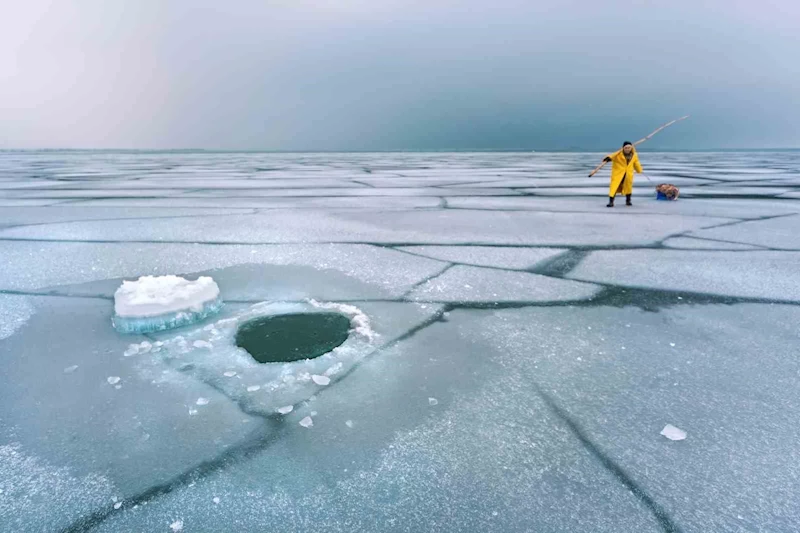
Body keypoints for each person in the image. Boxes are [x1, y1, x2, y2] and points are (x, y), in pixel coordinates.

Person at [602, 141, 642, 207]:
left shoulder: (634, 155)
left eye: (629, 147)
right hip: (618, 174)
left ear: (631, 148)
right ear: (623, 148)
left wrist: (639, 170)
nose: (627, 149)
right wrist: (608, 158)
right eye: (626, 148)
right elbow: (611, 156)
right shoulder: (618, 154)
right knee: (614, 187)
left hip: (628, 174)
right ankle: (611, 202)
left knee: (628, 187)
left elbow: (636, 163)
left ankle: (628, 201)